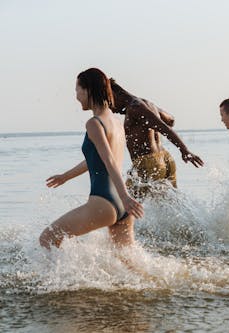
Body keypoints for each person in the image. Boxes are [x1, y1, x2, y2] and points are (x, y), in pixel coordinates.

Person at [39, 68, 144, 249]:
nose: (76, 96)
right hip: (121, 205)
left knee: (47, 238)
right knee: (128, 264)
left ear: (88, 90)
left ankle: (59, 278)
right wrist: (65, 176)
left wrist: (126, 197)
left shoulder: (94, 123)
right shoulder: (117, 123)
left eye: (77, 90)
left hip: (104, 201)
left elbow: (109, 160)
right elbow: (98, 159)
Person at [109, 79, 204, 198]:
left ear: (113, 94)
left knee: (125, 206)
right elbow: (171, 120)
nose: (111, 110)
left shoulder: (135, 107)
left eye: (109, 104)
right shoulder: (146, 104)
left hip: (148, 164)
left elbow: (163, 127)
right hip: (165, 159)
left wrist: (184, 150)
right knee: (170, 207)